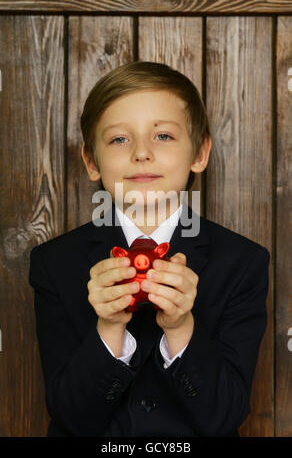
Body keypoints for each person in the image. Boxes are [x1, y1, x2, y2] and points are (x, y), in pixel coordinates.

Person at [29, 61, 270, 437]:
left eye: (163, 136)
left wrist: (182, 328)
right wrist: (109, 328)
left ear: (200, 153)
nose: (141, 153)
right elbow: (69, 416)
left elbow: (225, 415)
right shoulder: (54, 263)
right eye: (119, 139)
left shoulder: (243, 262)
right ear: (92, 161)